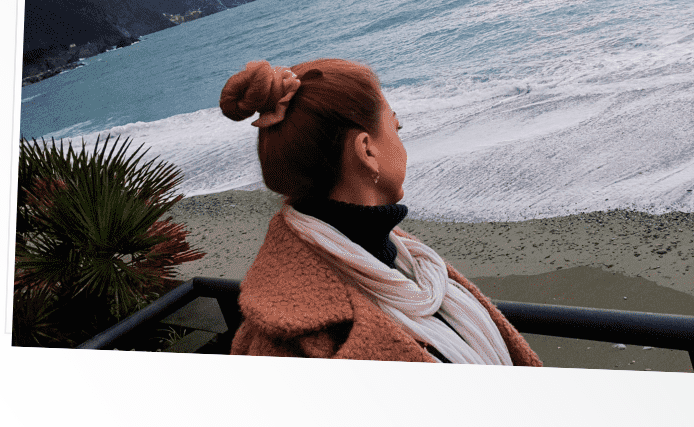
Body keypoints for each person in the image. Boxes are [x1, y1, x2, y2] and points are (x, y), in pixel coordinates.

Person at [219, 58, 542, 366]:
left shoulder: (395, 251)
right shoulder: (290, 341)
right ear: (367, 150)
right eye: (395, 127)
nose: (401, 143)